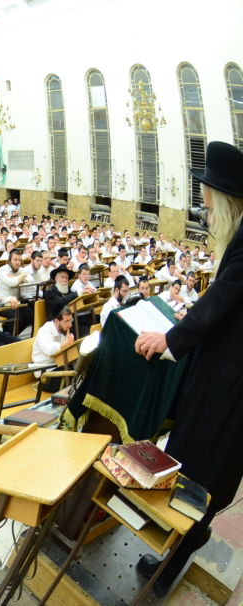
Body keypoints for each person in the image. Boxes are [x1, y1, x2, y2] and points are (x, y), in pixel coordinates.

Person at [133, 142, 243, 597]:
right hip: (223, 379)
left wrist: (171, 339)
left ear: (226, 200)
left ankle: (165, 572)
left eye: (208, 203)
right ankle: (170, 558)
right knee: (200, 471)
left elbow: (221, 301)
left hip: (227, 390)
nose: (205, 211)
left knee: (198, 475)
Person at [31, 306, 74, 376]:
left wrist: (70, 345)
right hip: (45, 372)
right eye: (67, 321)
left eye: (71, 320)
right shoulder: (45, 330)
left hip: (57, 366)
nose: (70, 325)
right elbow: (49, 350)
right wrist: (66, 344)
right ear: (57, 321)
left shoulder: (62, 329)